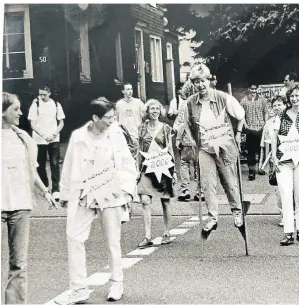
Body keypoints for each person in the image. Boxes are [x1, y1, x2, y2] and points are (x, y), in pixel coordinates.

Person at [55, 97, 137, 304]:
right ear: (95, 118)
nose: (112, 121)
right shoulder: (78, 137)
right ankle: (79, 288)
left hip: (110, 194)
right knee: (74, 238)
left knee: (112, 241)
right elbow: (69, 166)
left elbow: (127, 162)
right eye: (108, 118)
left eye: (113, 117)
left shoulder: (116, 134)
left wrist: (127, 191)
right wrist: (65, 194)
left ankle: (117, 282)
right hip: (84, 194)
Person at [2, 92, 58, 304]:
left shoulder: (22, 138)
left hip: (21, 207)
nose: (21, 113)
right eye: (15, 109)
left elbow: (31, 170)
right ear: (2, 112)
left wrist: (45, 192)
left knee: (19, 265)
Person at [180, 63, 245, 233]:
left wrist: (237, 132)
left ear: (209, 80)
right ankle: (212, 217)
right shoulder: (190, 103)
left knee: (229, 182)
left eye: (203, 81)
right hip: (204, 147)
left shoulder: (222, 97)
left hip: (224, 146)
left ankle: (237, 212)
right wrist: (193, 140)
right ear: (192, 83)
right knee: (208, 184)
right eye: (196, 82)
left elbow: (240, 114)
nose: (200, 85)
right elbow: (185, 122)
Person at [272, 84, 299, 246]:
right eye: (292, 96)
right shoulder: (281, 115)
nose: (294, 99)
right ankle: (288, 232)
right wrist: (274, 157)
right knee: (286, 194)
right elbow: (274, 137)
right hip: (283, 160)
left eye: (297, 96)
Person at [136, 99, 176, 248]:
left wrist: (174, 171)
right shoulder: (141, 128)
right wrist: (137, 170)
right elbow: (138, 150)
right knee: (145, 200)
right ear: (147, 111)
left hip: (163, 167)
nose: (155, 111)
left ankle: (167, 232)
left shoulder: (166, 128)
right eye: (152, 109)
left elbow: (170, 149)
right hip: (146, 168)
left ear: (160, 111)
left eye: (157, 109)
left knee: (165, 201)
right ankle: (147, 236)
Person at [27, 85, 65, 201]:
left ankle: (56, 189)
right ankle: (45, 187)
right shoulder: (35, 105)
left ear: (49, 93)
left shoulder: (56, 104)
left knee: (54, 163)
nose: (42, 96)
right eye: (40, 94)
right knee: (41, 164)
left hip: (53, 138)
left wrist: (54, 134)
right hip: (39, 139)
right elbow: (33, 124)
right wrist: (43, 135)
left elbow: (61, 122)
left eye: (44, 94)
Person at [260, 95, 287, 226]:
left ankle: (294, 214)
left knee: (292, 189)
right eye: (275, 105)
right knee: (278, 190)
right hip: (276, 160)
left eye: (280, 104)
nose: (277, 107)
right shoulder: (269, 124)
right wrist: (267, 161)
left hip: (290, 158)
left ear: (285, 105)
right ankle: (284, 215)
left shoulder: (290, 120)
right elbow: (267, 145)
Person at [173, 93, 205, 202]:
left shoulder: (185, 104)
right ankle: (200, 191)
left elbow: (182, 124)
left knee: (185, 163)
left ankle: (184, 190)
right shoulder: (203, 104)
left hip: (187, 140)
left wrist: (178, 139)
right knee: (199, 166)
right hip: (201, 140)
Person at [240, 85, 268, 180]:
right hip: (250, 129)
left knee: (261, 150)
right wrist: (245, 125)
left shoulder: (262, 100)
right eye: (251, 89)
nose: (253, 91)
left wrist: (265, 124)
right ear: (249, 89)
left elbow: (266, 112)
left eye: (255, 89)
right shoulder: (244, 101)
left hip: (260, 128)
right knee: (251, 151)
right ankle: (251, 171)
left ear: (257, 90)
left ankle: (260, 168)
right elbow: (241, 114)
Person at [115, 82, 146, 149]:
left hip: (136, 134)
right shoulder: (119, 104)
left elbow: (145, 116)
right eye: (127, 89)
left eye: (131, 89)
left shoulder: (138, 102)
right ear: (123, 91)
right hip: (123, 135)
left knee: (137, 155)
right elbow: (116, 119)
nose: (130, 91)